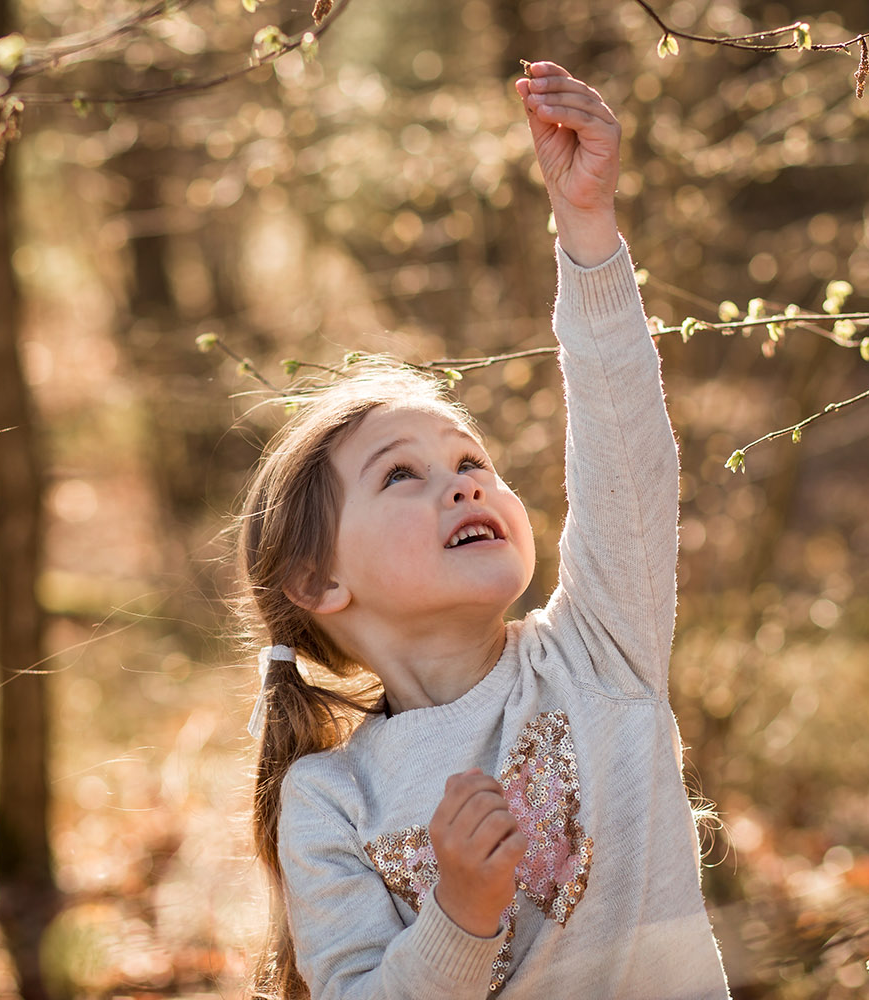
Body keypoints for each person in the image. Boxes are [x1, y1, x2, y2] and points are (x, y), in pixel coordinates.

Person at [237, 61, 731, 999]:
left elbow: (628, 453)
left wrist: (585, 228)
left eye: (471, 462)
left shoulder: (599, 652)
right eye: (403, 476)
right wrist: (460, 917)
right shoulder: (332, 802)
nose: (463, 486)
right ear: (317, 580)